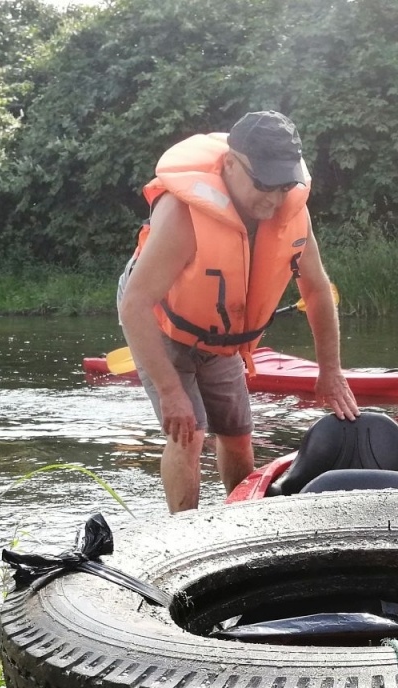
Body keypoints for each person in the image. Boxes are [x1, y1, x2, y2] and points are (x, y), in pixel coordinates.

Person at [116, 110, 359, 513]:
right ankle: (187, 533)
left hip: (223, 336)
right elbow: (135, 305)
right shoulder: (182, 216)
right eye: (264, 183)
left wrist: (330, 370)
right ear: (230, 164)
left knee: (238, 432)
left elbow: (316, 289)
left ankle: (242, 519)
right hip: (162, 324)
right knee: (188, 431)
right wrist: (170, 390)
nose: (274, 197)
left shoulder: (291, 213)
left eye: (285, 184)